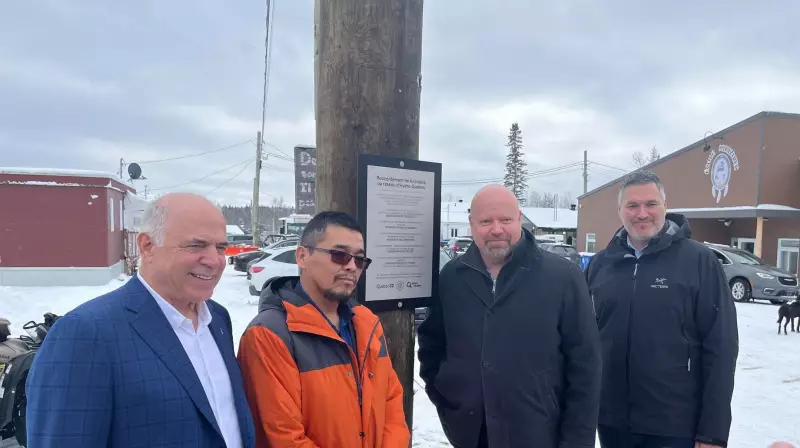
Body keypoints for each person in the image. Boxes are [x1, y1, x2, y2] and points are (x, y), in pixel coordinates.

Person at [26, 193, 256, 448]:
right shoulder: (85, 333)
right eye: (196, 245)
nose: (215, 261)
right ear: (147, 246)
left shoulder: (218, 319)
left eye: (220, 247)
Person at [417, 184, 601, 448]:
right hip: (471, 435)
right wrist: (448, 400)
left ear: (519, 218)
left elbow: (586, 367)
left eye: (505, 220)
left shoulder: (562, 277)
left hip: (541, 435)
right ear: (471, 224)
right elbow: (432, 346)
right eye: (485, 221)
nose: (496, 229)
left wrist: (577, 441)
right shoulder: (451, 278)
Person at [585, 170, 739, 448]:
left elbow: (721, 347)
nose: (642, 213)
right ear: (619, 210)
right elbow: (583, 342)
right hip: (612, 424)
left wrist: (713, 432)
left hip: (676, 426)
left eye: (651, 204)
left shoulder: (699, 262)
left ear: (665, 206)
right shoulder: (601, 265)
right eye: (632, 205)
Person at [237, 211, 410, 447]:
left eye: (359, 260)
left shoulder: (367, 323)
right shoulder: (269, 335)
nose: (351, 267)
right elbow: (283, 436)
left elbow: (391, 403)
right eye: (339, 255)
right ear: (302, 256)